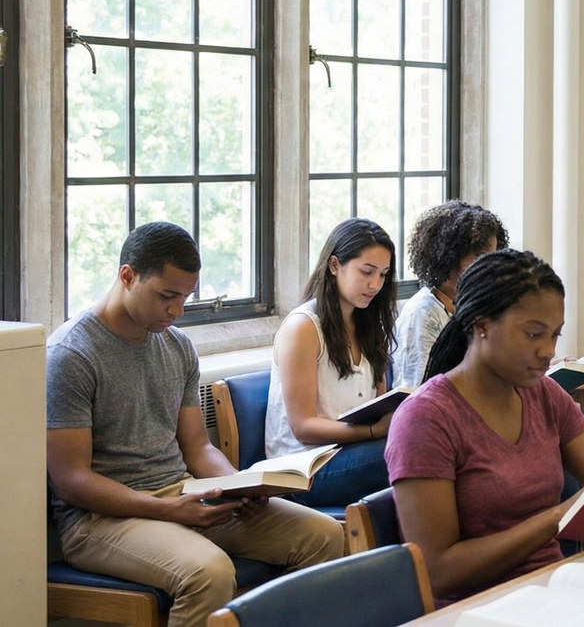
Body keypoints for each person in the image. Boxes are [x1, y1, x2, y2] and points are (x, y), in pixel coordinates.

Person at [45, 222, 344, 627]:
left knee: (323, 536)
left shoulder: (176, 345)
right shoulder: (71, 355)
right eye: (167, 296)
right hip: (98, 521)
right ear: (127, 276)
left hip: (181, 494)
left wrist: (239, 487)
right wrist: (167, 510)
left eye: (186, 297)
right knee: (209, 573)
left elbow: (197, 448)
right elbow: (71, 480)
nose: (177, 311)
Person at [386, 249, 584, 603]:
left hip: (552, 593)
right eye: (533, 335)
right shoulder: (426, 419)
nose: (548, 351)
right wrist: (559, 515)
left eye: (555, 335)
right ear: (481, 326)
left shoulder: (544, 394)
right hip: (475, 610)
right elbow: (438, 572)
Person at [265, 217, 398, 508]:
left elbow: (377, 403)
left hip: (352, 451)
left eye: (383, 275)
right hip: (303, 469)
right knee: (406, 447)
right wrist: (374, 431)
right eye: (366, 272)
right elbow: (303, 426)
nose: (375, 284)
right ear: (335, 265)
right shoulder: (303, 327)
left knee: (427, 437)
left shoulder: (370, 325)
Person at [391, 200, 509, 390]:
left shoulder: (474, 306)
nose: (488, 265)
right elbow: (417, 388)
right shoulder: (423, 312)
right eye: (479, 256)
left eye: (492, 256)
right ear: (449, 257)